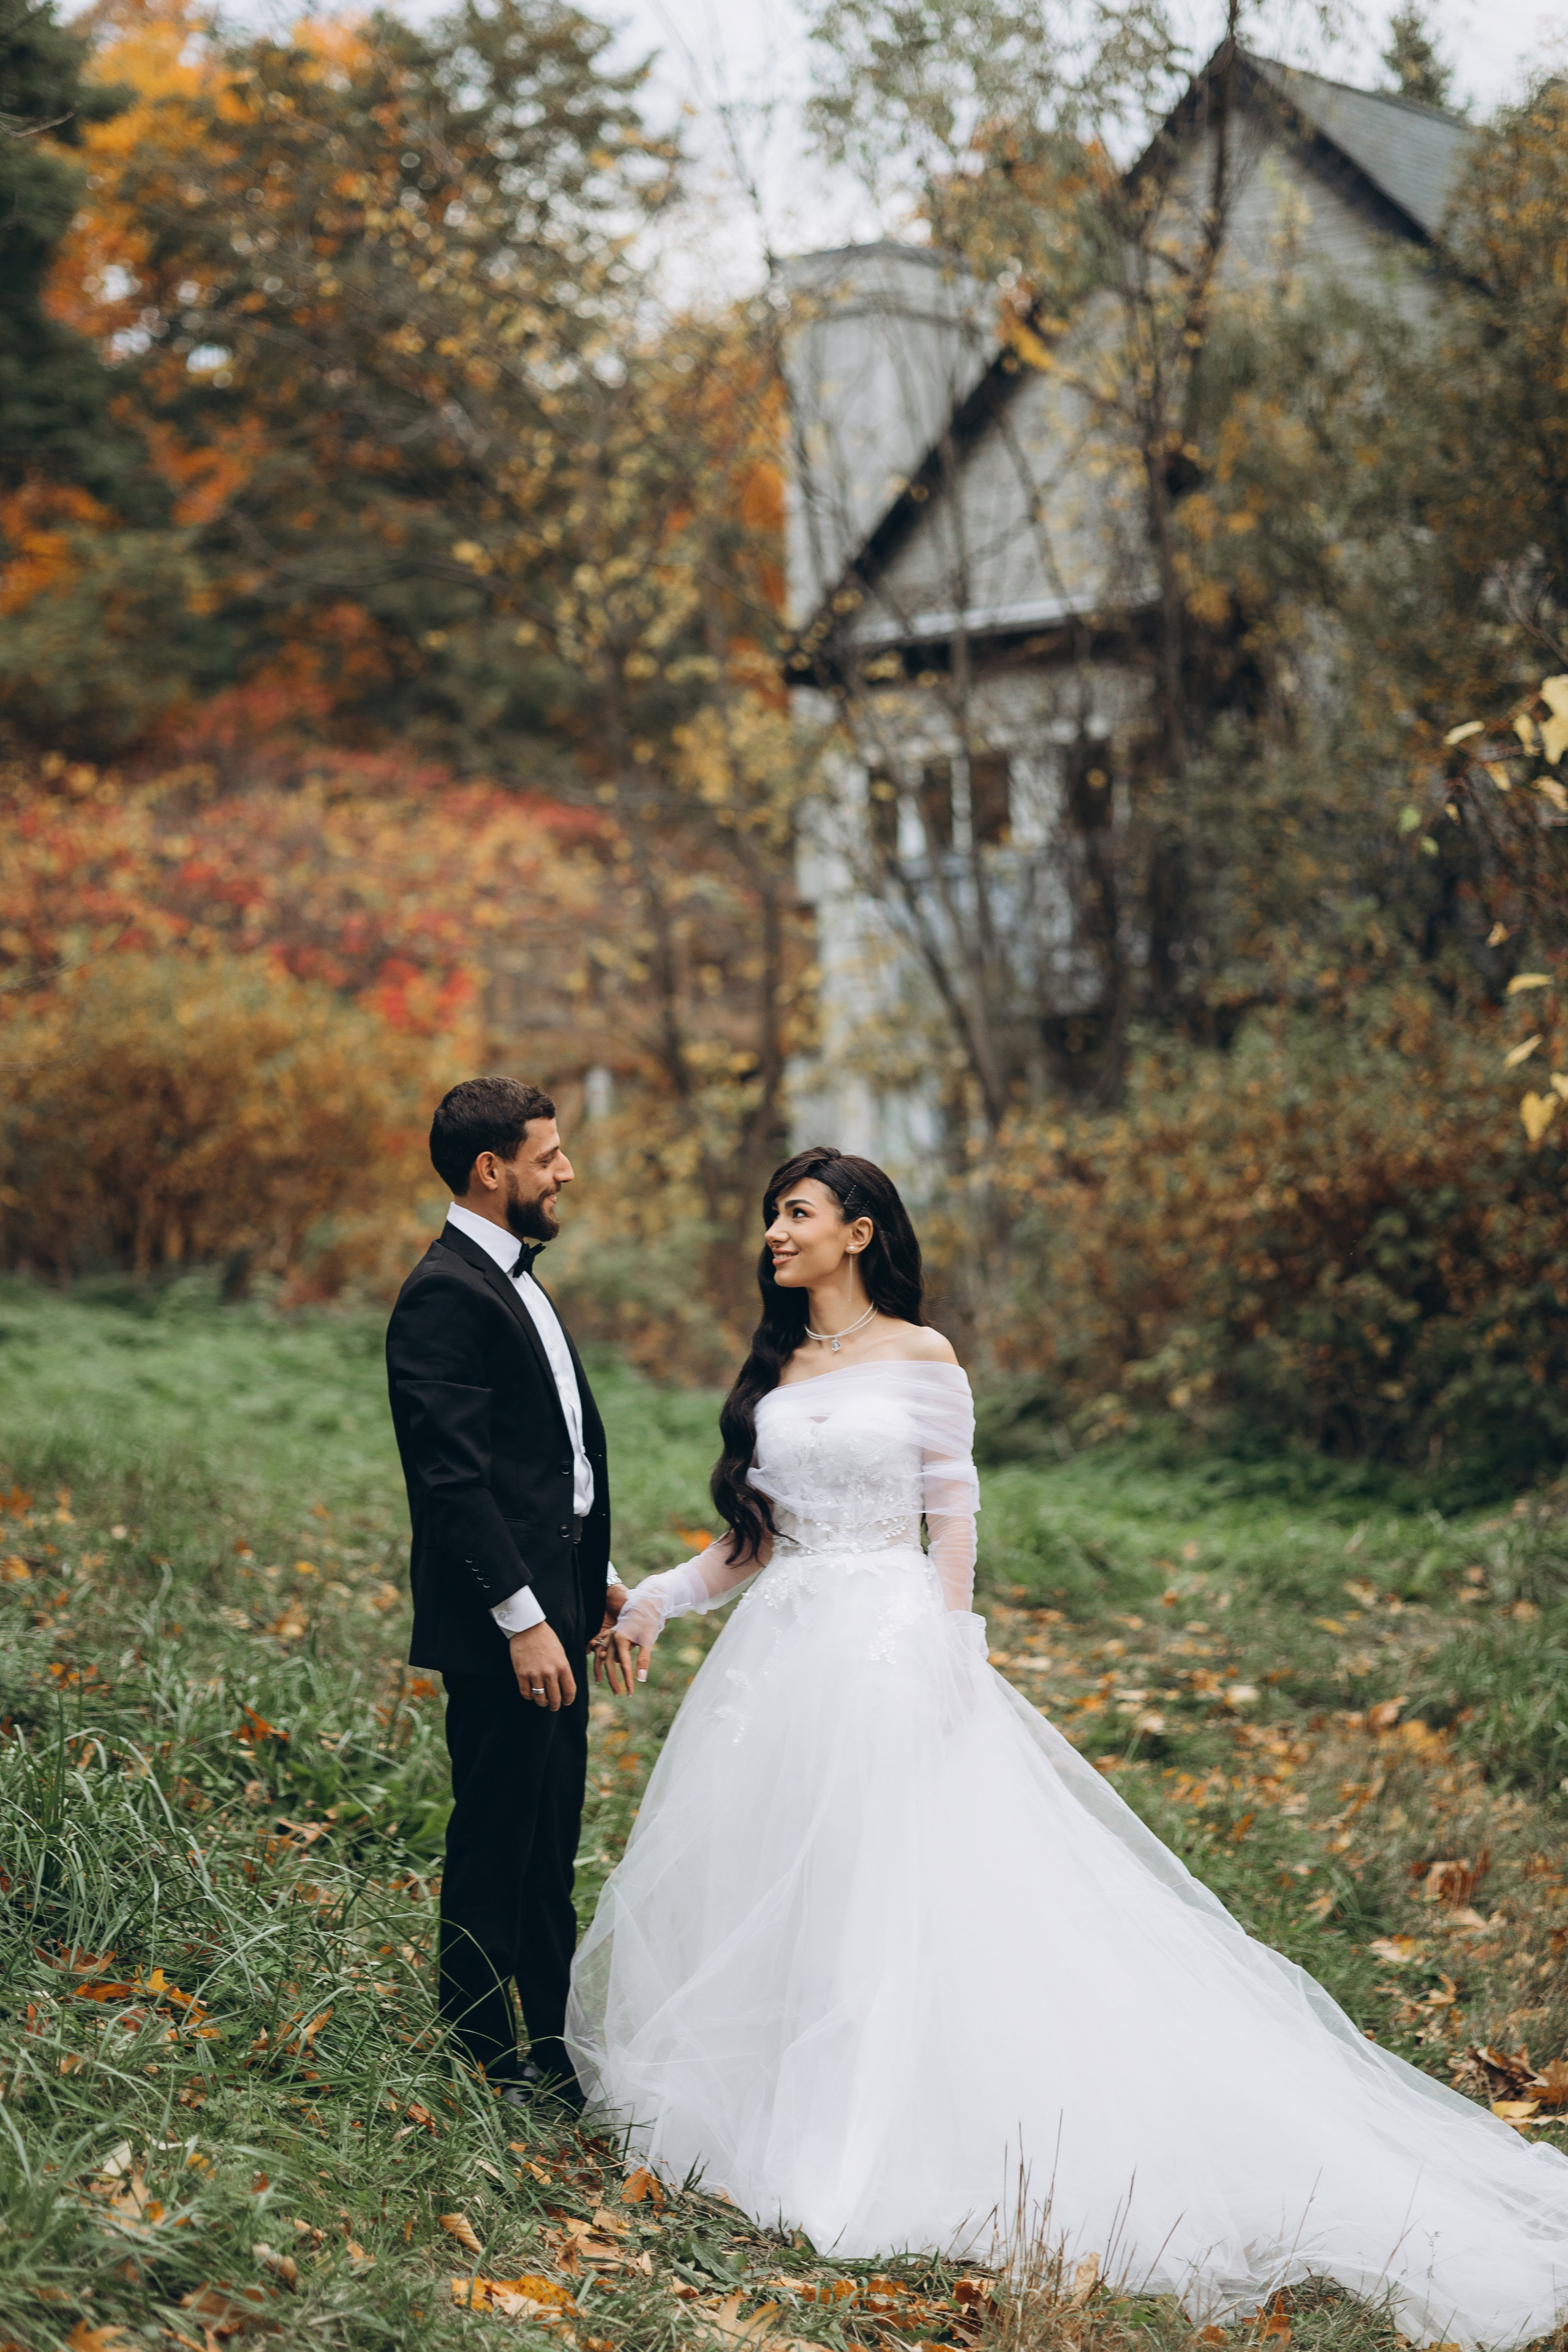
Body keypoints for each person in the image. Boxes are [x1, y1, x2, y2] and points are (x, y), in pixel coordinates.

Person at [567, 1145, 1568, 2346]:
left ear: (860, 1233)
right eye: (772, 1216)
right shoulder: (776, 1364)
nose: (772, 1233)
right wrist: (656, 1602)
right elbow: (754, 1541)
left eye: (796, 1214)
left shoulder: (923, 1359)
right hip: (778, 1660)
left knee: (897, 1888)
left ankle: (883, 2134)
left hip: (887, 1650)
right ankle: (781, 2112)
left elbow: (953, 1511)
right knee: (791, 1880)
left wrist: (950, 1648)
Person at [386, 1077, 629, 2111]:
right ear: (493, 1171)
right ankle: (481, 2057)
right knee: (496, 1837)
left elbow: (545, 1462)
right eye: (550, 1154)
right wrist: (527, 1621)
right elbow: (451, 1481)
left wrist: (597, 1585)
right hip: (506, 1631)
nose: (566, 1170)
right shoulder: (446, 1291)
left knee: (549, 1836)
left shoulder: (514, 1279)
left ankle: (556, 2053)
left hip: (557, 1608)